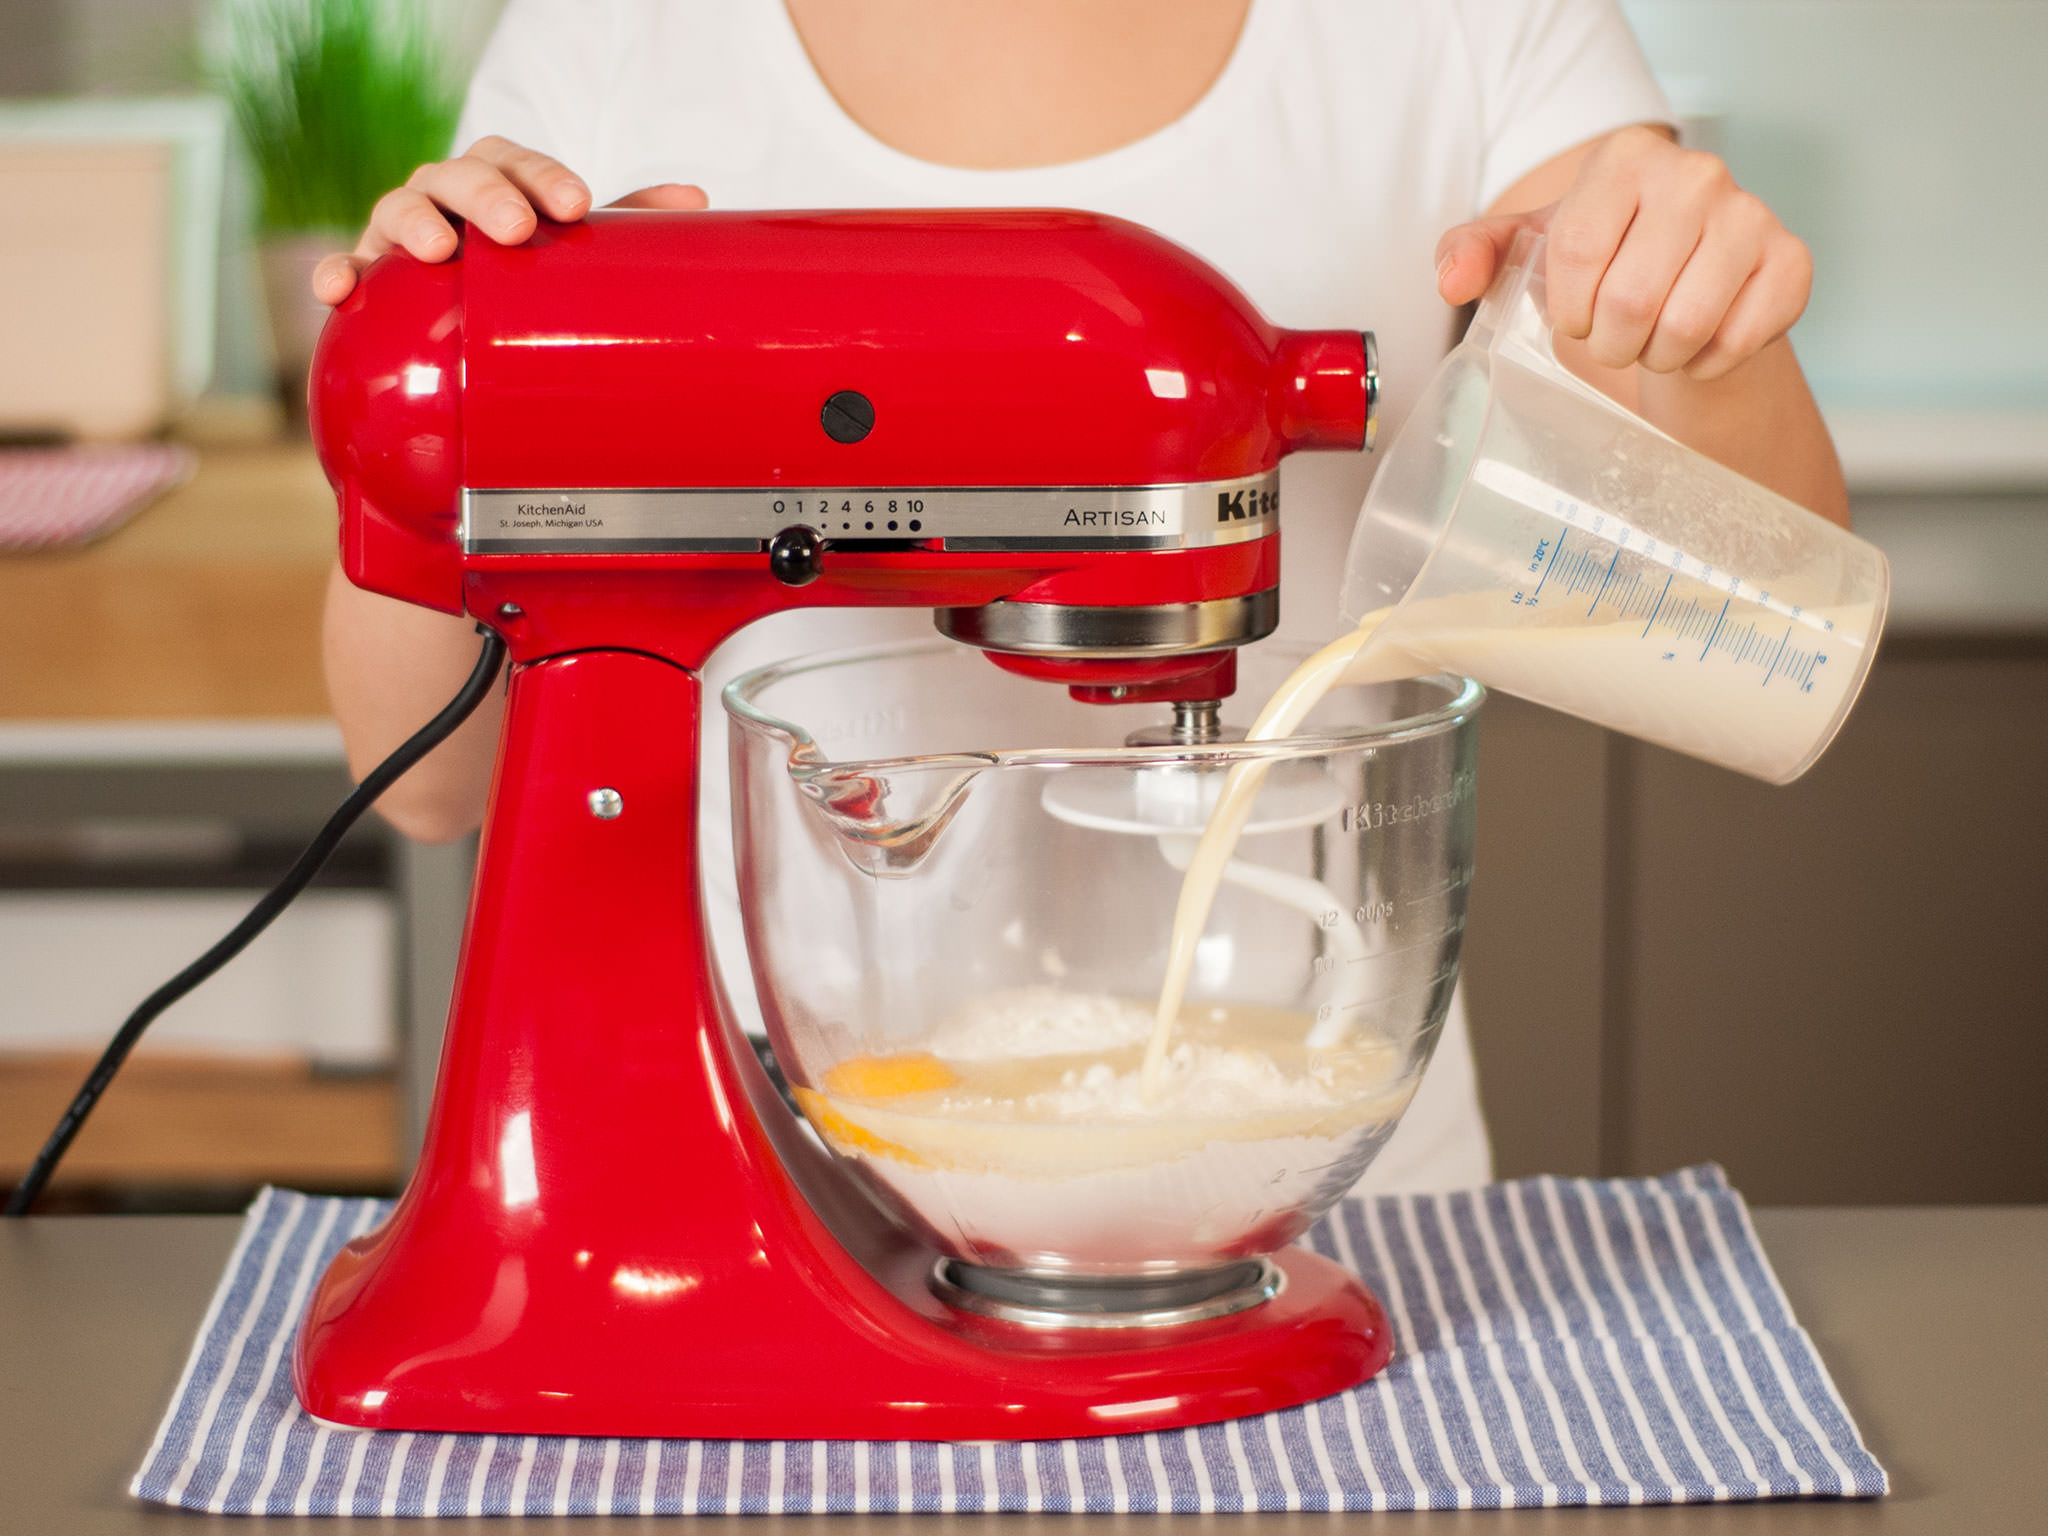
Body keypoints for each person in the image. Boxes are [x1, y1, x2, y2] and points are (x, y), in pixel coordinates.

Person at [316, 0, 1847, 1194]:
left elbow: (1772, 609)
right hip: (774, 1165)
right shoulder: (615, 38)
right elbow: (429, 779)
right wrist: (440, 389)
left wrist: (1692, 326)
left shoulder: (1458, 24)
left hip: (1331, 1194)